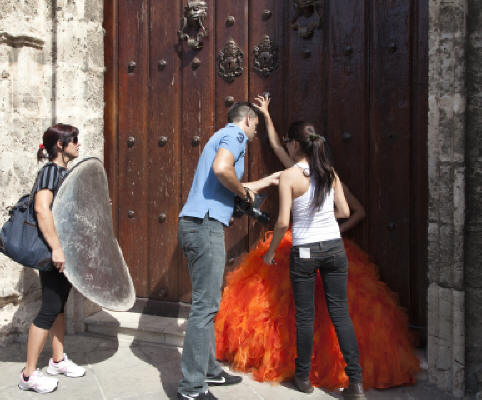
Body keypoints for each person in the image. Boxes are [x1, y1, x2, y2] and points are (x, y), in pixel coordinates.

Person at [214, 96, 419, 397]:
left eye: (289, 142)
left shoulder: (289, 176)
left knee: (305, 316)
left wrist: (271, 252)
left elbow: (282, 222)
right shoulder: (330, 173)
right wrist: (326, 223)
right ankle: (355, 382)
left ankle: (303, 378)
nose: (287, 146)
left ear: (296, 145)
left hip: (306, 250)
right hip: (334, 248)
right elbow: (346, 211)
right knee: (340, 314)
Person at [177, 102, 280, 400]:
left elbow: (227, 181)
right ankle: (191, 388)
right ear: (247, 120)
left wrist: (265, 182)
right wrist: (244, 192)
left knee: (207, 303)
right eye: (256, 126)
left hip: (197, 223)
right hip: (205, 225)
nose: (255, 131)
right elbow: (223, 170)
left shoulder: (219, 136)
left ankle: (210, 370)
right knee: (205, 306)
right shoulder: (235, 135)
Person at [18, 124, 86, 393]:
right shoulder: (50, 171)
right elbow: (41, 209)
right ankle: (28, 375)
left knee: (58, 306)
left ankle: (57, 360)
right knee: (48, 309)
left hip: (63, 251)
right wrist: (56, 248)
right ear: (60, 145)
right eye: (74, 140)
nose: (78, 144)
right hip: (53, 252)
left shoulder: (64, 173)